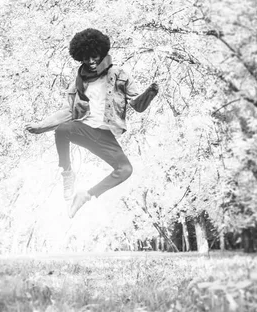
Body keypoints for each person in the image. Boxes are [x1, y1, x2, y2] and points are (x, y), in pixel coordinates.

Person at [25, 28, 159, 218]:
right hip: (84, 129)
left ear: (102, 52)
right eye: (85, 58)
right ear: (80, 58)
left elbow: (137, 105)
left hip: (105, 135)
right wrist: (41, 126)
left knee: (125, 170)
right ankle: (67, 172)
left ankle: (86, 195)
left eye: (94, 56)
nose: (90, 61)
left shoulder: (119, 74)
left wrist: (150, 94)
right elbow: (68, 112)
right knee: (63, 130)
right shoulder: (79, 83)